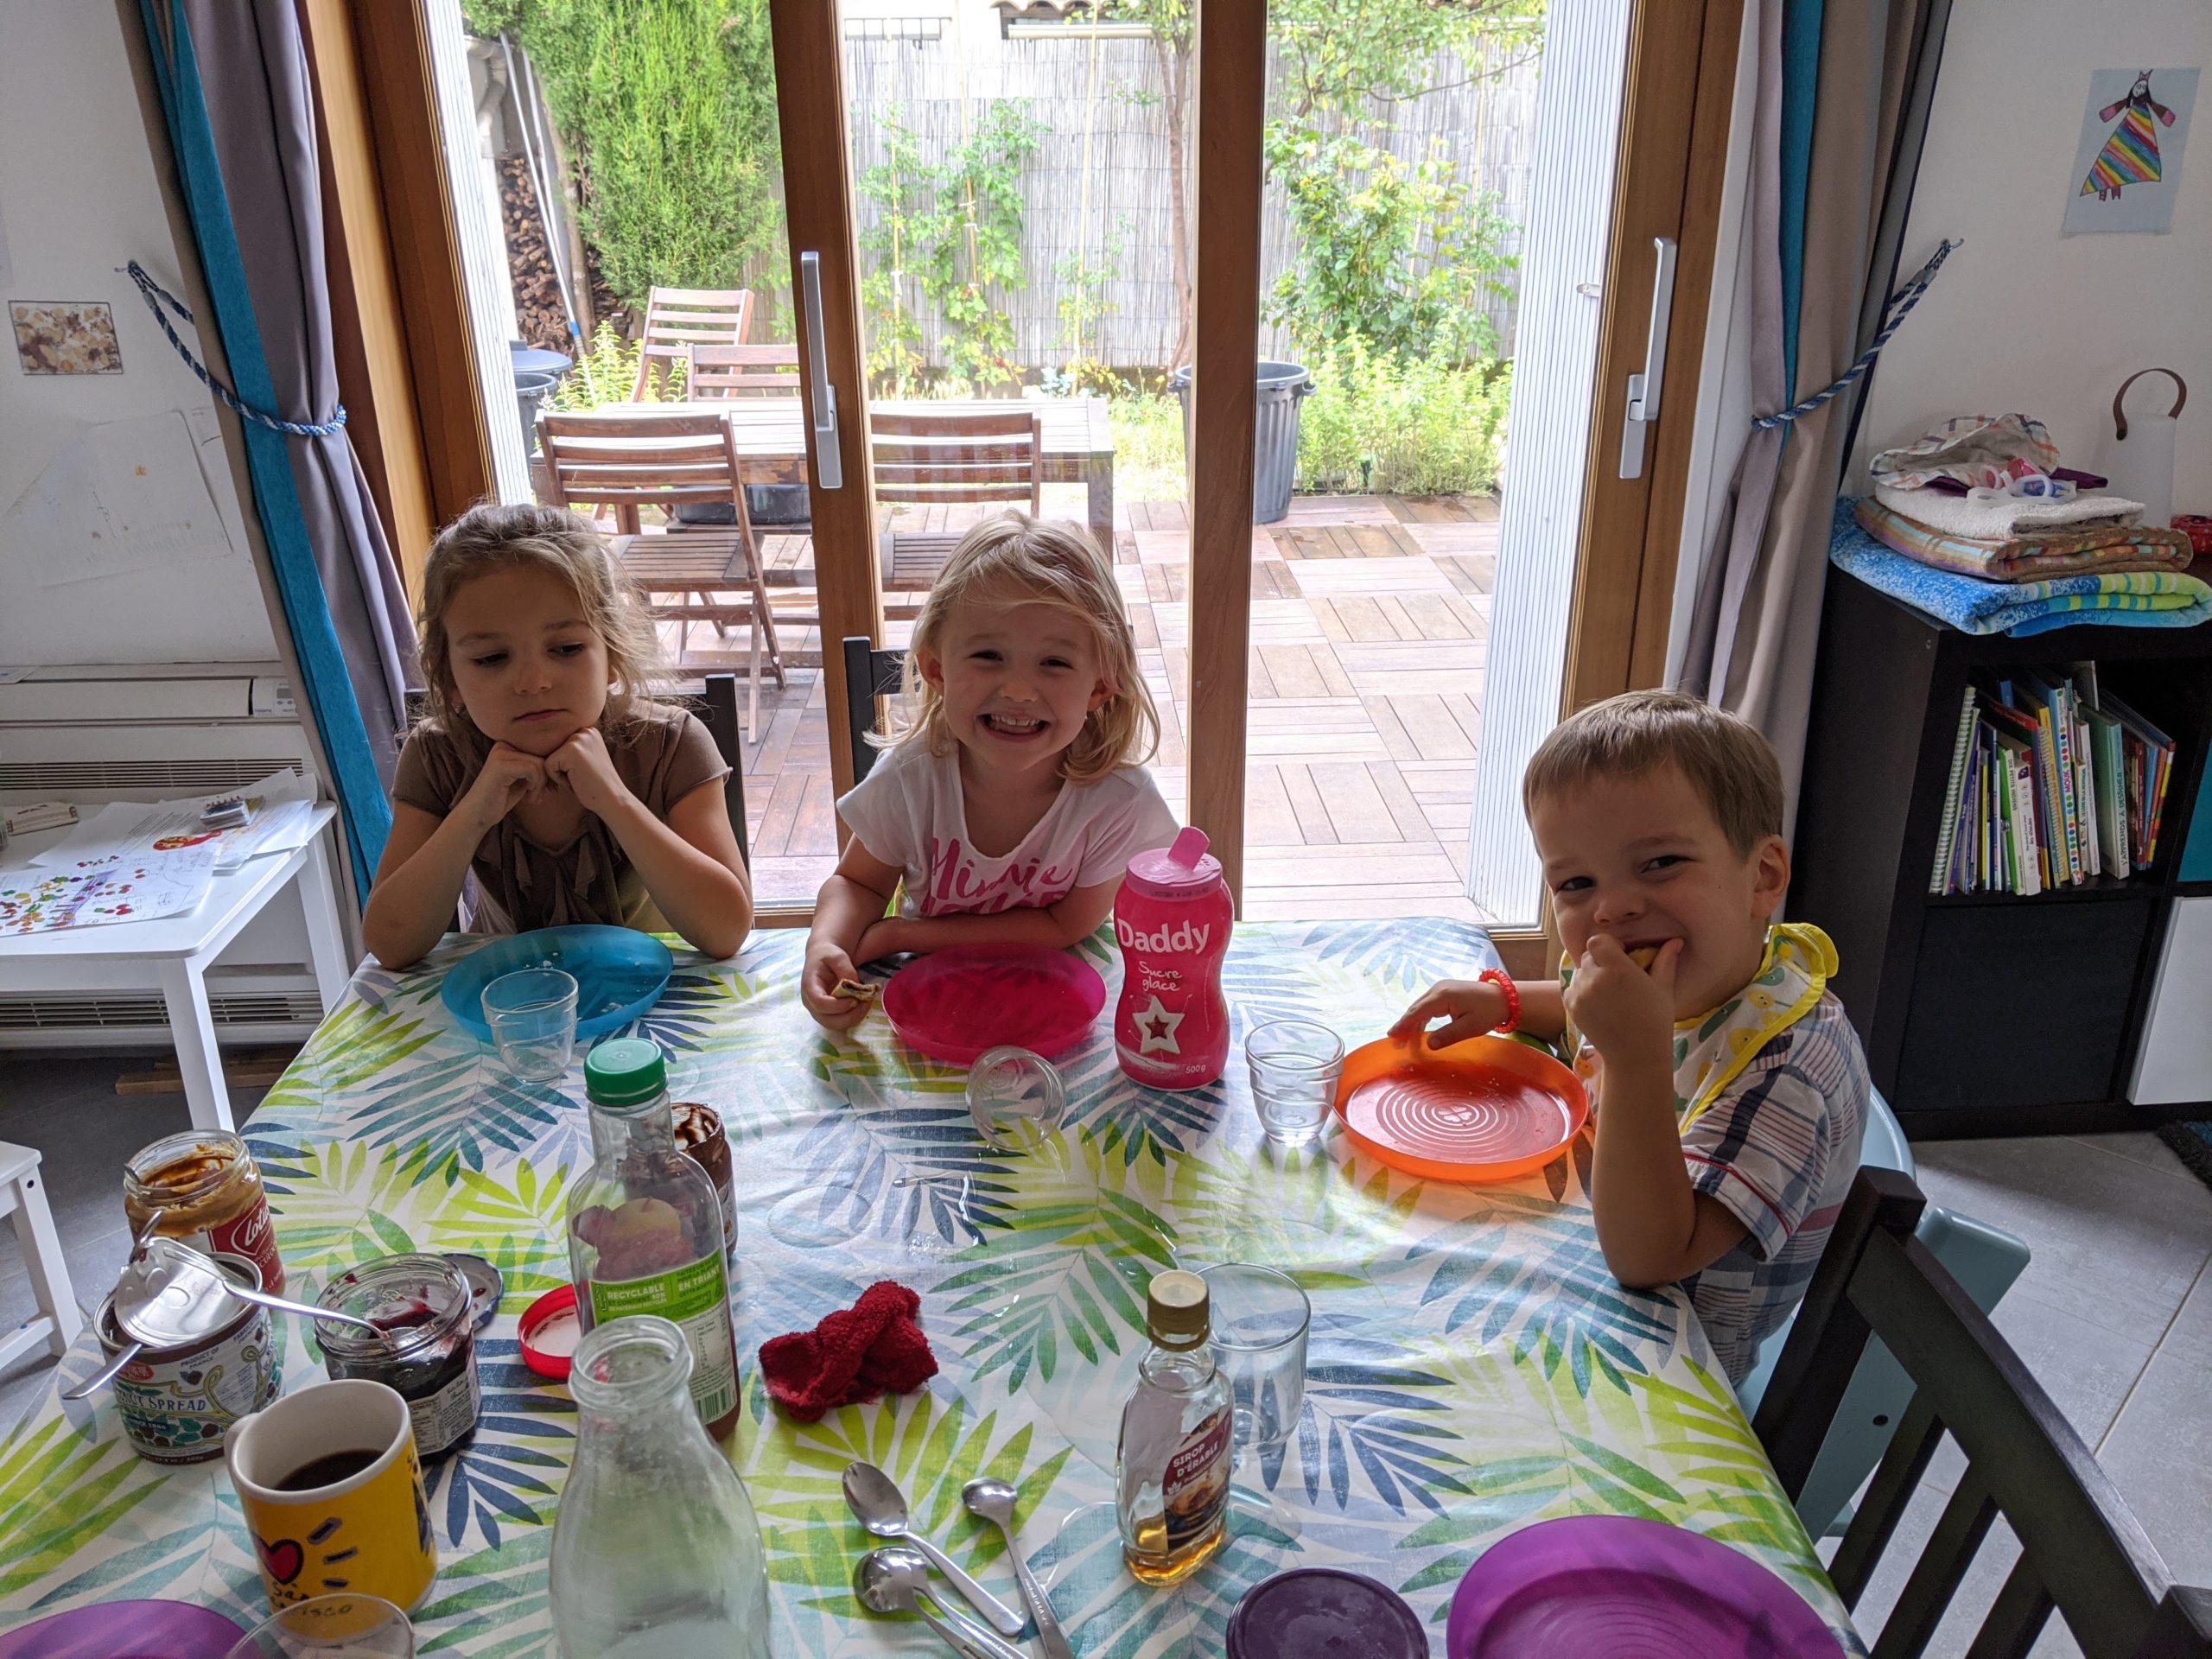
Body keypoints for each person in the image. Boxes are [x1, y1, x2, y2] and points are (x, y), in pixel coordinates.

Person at [1391, 690, 1867, 1382]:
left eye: (1660, 863)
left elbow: (1650, 1258)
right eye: (1576, 882)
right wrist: (1506, 1003)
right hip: (1580, 1238)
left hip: (1669, 1359)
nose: (1612, 907)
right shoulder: (1671, 981)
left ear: (1762, 878)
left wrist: (1636, 1059)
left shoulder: (1786, 1072)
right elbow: (1587, 1010)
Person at [804, 515, 1178, 1030]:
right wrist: (826, 944)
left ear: (1099, 687)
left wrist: (902, 936)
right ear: (937, 669)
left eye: (1054, 663)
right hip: (929, 1004)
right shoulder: (910, 779)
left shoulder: (1120, 802)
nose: (1019, 690)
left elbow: (1064, 925)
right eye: (988, 655)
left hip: (1061, 1008)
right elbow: (857, 884)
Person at [364, 502, 753, 968]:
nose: (533, 682)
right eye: (491, 658)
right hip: (508, 997)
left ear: (612, 653)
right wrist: (472, 815)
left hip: (657, 990)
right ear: (448, 678)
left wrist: (615, 801)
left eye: (566, 649)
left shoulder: (670, 745)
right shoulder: (437, 756)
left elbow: (727, 931)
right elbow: (390, 945)